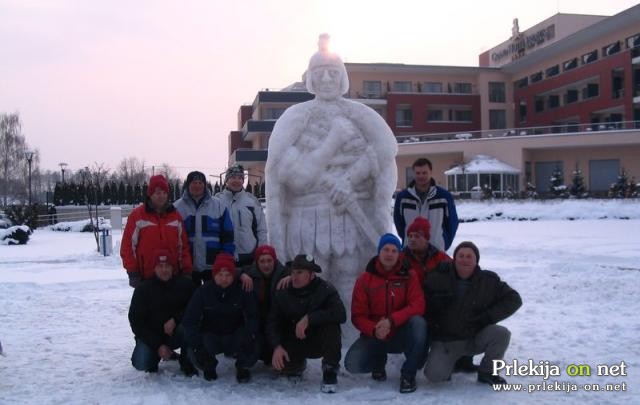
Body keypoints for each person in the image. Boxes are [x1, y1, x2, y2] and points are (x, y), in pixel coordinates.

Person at [265, 34, 397, 302]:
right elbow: (288, 176)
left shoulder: (360, 114)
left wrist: (350, 178)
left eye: (333, 72)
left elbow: (386, 149)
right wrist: (333, 140)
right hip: (306, 217)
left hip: (351, 212)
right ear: (310, 78)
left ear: (343, 77)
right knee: (315, 276)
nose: (326, 79)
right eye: (320, 73)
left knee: (350, 275)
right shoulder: (295, 117)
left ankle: (350, 337)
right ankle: (315, 339)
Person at [423, 241, 522, 385]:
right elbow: (422, 302)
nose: (465, 259)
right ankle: (456, 361)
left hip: (474, 337)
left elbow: (514, 299)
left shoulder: (489, 281)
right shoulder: (437, 278)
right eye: (461, 256)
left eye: (469, 256)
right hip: (446, 341)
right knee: (434, 376)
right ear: (454, 259)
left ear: (476, 260)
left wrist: (488, 317)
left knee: (501, 334)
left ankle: (487, 372)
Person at [345, 234, 427, 393]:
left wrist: (391, 321)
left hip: (401, 332)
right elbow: (357, 315)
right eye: (386, 249)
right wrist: (374, 329)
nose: (390, 254)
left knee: (419, 322)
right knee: (353, 364)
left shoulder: (409, 275)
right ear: (379, 252)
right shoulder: (365, 279)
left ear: (399, 254)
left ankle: (408, 374)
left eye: (394, 251)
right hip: (375, 335)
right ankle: (378, 361)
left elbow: (418, 305)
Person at [267, 254, 346, 393]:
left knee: (332, 326)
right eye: (293, 272)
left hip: (318, 341)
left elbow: (340, 313)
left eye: (300, 272)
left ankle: (330, 369)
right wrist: (277, 346)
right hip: (294, 341)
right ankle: (296, 365)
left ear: (311, 275)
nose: (295, 276)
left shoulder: (325, 289)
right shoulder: (282, 292)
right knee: (282, 367)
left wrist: (309, 318)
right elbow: (272, 322)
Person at [181, 253, 259, 383]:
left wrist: (249, 335)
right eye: (220, 275)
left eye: (228, 275)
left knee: (255, 342)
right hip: (210, 336)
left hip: (235, 335)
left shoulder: (242, 290)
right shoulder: (203, 292)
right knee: (192, 347)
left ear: (233, 275)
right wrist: (198, 346)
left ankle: (242, 366)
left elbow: (253, 315)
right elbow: (189, 321)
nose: (224, 279)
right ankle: (208, 364)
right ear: (214, 275)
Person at [128, 249, 196, 375]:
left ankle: (186, 361)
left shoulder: (185, 285)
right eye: (160, 266)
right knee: (141, 362)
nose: (164, 270)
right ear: (154, 268)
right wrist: (157, 345)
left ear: (173, 268)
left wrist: (175, 320)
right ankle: (156, 356)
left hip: (176, 333)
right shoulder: (143, 289)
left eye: (167, 266)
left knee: (188, 327)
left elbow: (194, 308)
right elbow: (136, 322)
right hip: (153, 336)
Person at [121, 174, 192, 287]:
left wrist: (186, 269)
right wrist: (132, 272)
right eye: (158, 193)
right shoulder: (137, 216)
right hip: (146, 276)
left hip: (172, 275)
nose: (162, 196)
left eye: (164, 193)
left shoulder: (175, 216)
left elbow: (182, 246)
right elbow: (128, 245)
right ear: (150, 194)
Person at [175, 170, 235, 286]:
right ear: (188, 185)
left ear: (205, 185)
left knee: (213, 301)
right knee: (190, 300)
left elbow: (228, 236)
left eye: (200, 183)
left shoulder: (219, 205)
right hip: (188, 267)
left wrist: (225, 259)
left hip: (213, 265)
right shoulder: (177, 208)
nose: (197, 186)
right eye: (194, 183)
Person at [237, 245, 289, 365]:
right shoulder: (250, 271)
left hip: (277, 324)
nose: (266, 265)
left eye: (269, 260)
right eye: (262, 261)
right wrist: (241, 274)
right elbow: (229, 270)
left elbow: (298, 272)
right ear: (257, 262)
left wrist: (291, 277)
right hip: (258, 323)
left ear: (274, 260)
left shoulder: (283, 272)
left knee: (284, 362)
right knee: (248, 359)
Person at [394, 158, 459, 252]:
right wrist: (408, 238)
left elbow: (452, 222)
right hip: (410, 251)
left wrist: (444, 242)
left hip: (436, 251)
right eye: (418, 173)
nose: (421, 176)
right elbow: (399, 223)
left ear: (431, 172)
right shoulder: (403, 197)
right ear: (413, 173)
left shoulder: (443, 197)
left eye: (424, 173)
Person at [216, 165, 267, 267]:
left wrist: (260, 252)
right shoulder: (217, 200)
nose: (237, 181)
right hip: (224, 255)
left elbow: (262, 229)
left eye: (240, 178)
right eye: (233, 177)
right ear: (227, 180)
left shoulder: (252, 201)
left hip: (248, 256)